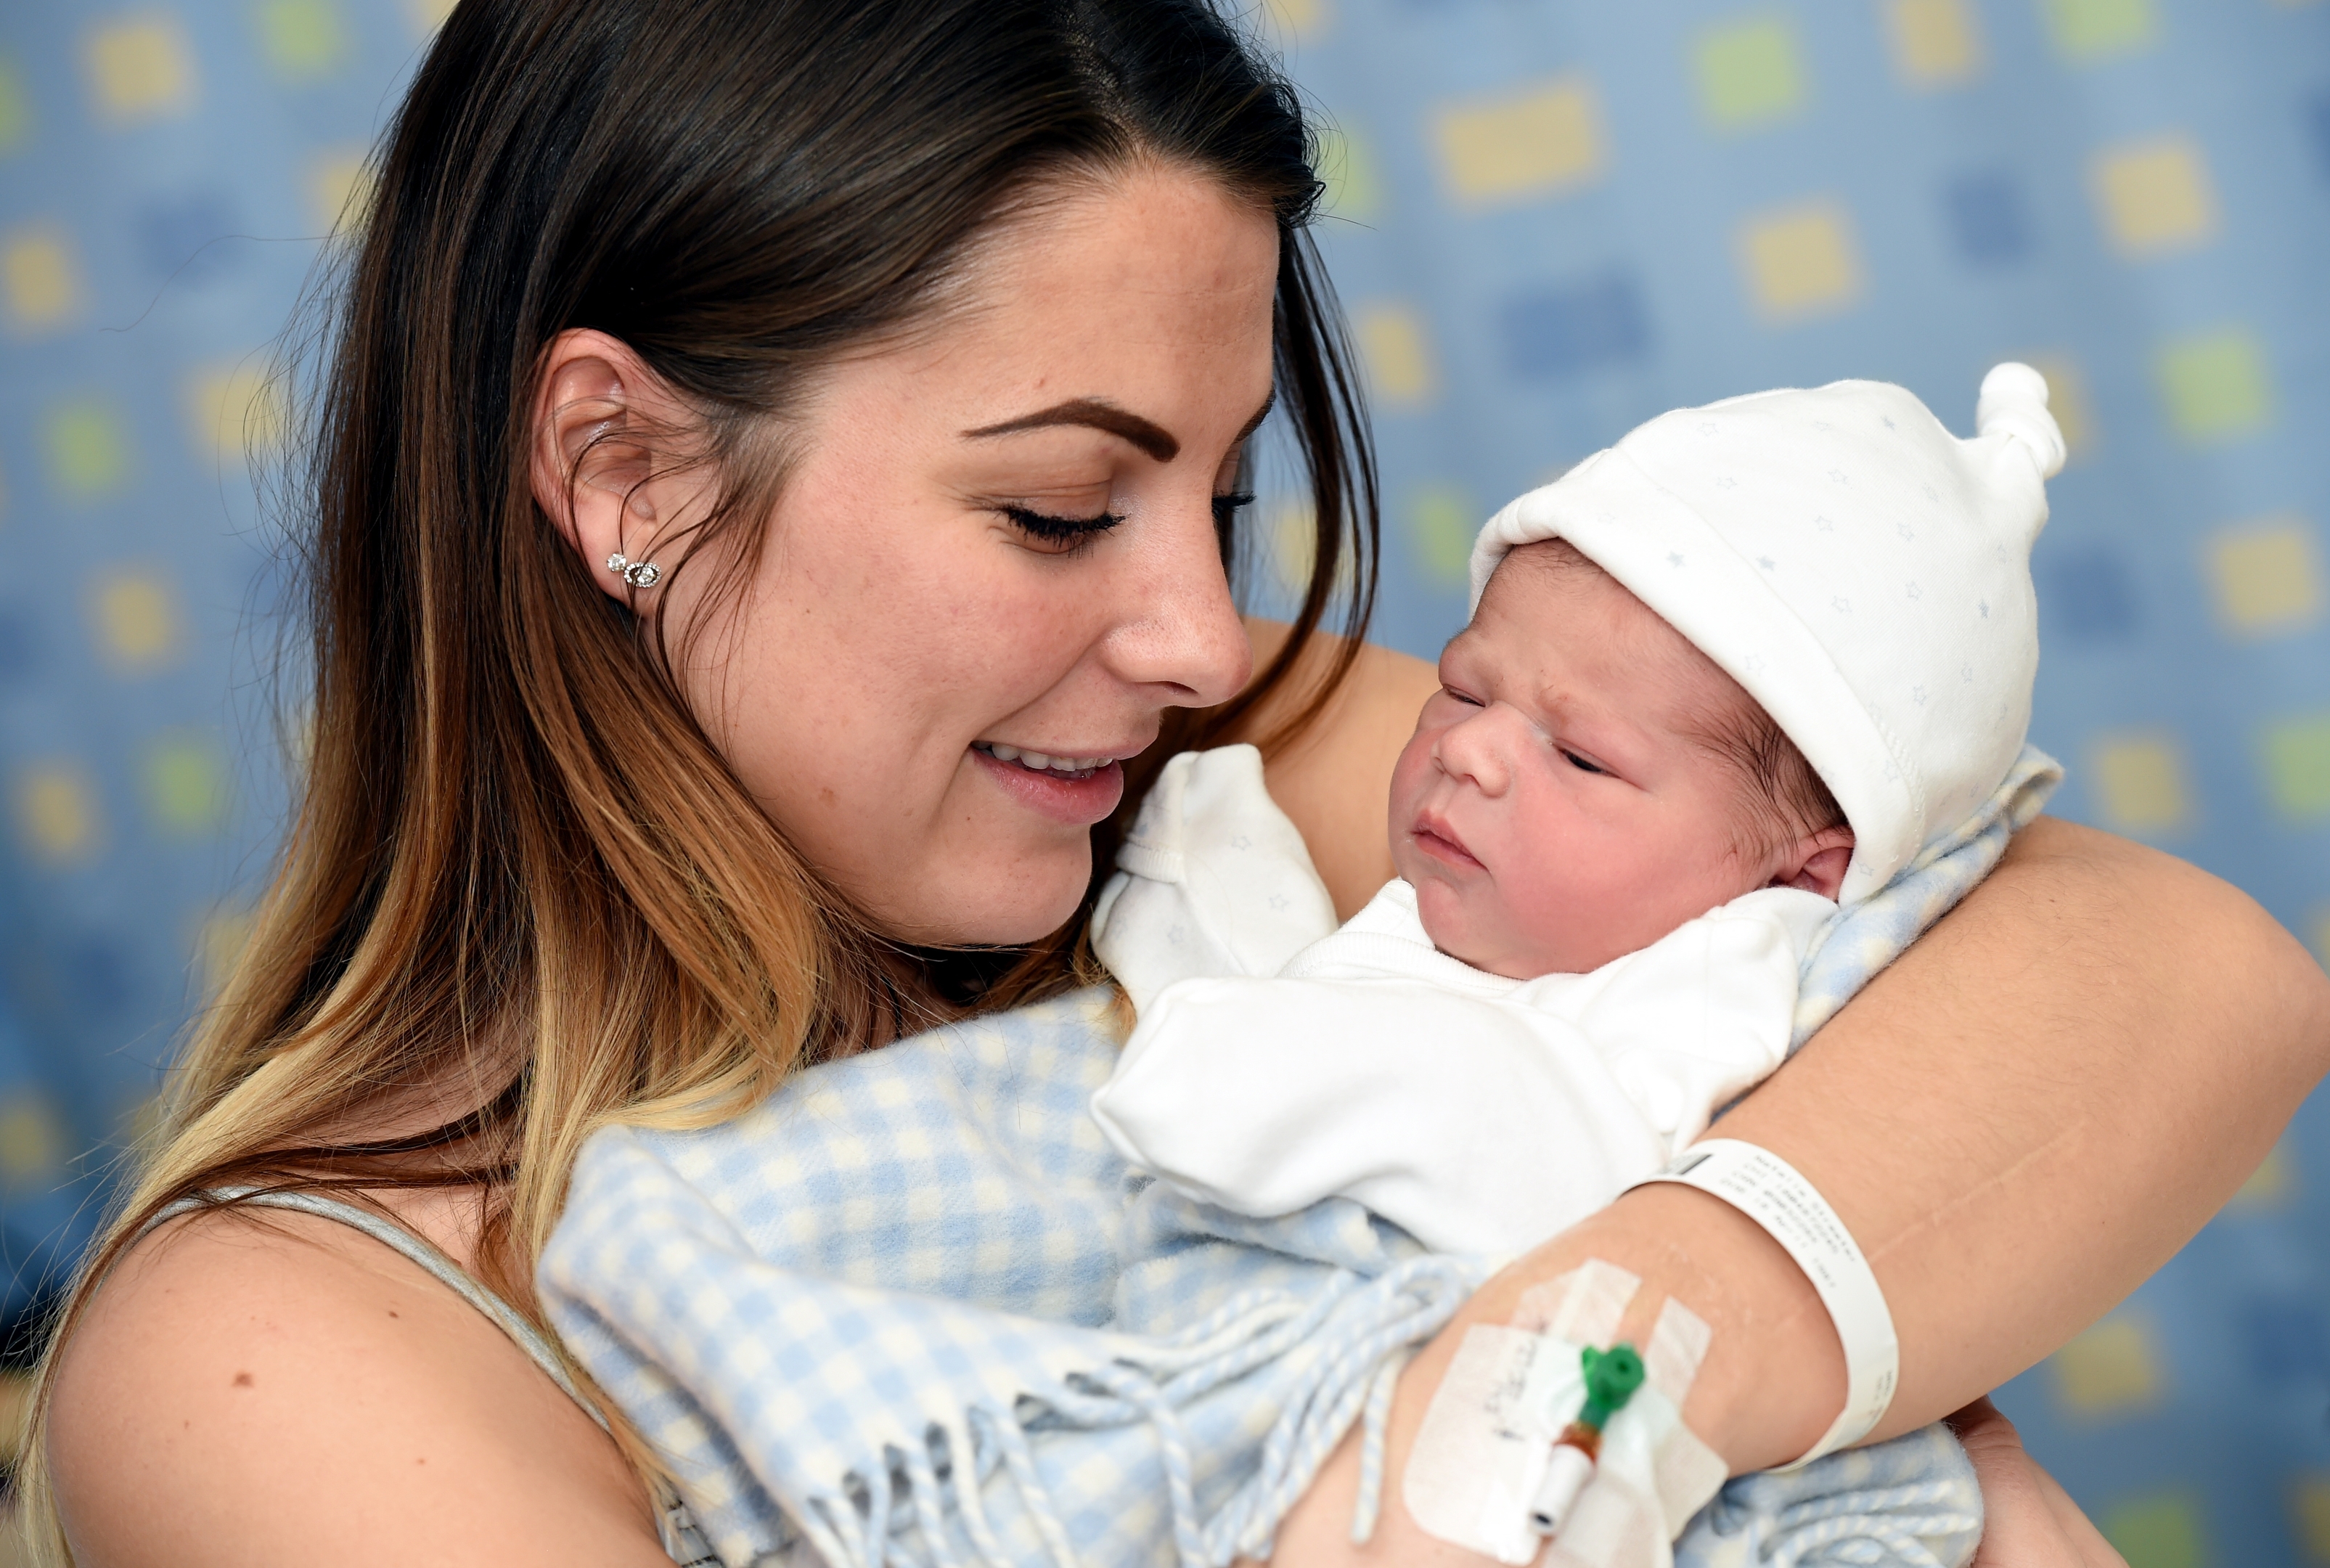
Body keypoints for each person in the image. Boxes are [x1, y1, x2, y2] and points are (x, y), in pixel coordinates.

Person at [20, 3, 2326, 1567]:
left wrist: (1588, 1371)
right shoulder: (284, 1353)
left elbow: (2182, 970)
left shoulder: (1208, 797)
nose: (1205, 639)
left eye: (1218, 502)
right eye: (1052, 511)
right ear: (621, 470)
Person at [1092, 367, 2063, 1264]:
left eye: (1580, 755)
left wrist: (1236, 1062)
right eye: (1466, 692)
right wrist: (1195, 870)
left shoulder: (1711, 992)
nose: (1464, 751)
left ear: (1794, 877)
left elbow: (1583, 1172)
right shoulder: (1484, 925)